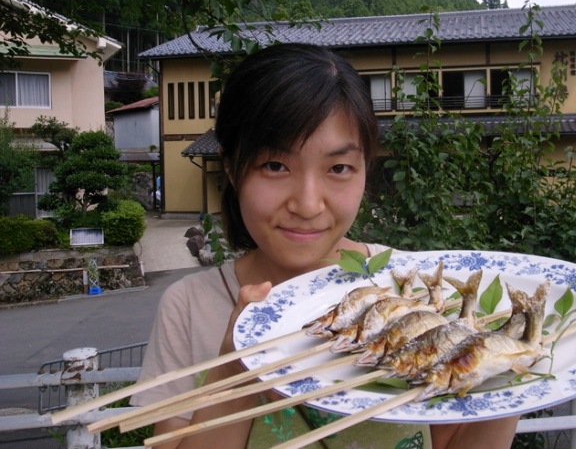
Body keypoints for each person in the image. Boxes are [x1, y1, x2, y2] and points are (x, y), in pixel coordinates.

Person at [130, 43, 519, 448]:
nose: (308, 204)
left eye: (338, 168)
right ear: (231, 167)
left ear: (365, 168)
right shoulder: (190, 307)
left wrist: (511, 374)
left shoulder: (413, 288)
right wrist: (235, 364)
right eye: (275, 166)